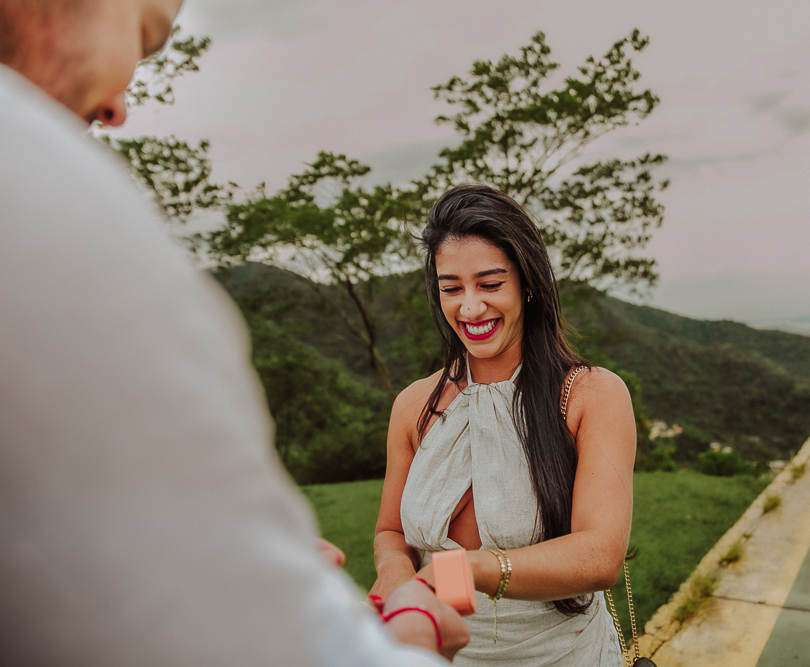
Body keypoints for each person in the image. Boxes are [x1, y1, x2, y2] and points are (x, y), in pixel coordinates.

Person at [0, 0, 467, 664]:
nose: (117, 109)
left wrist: (227, 560)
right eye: (144, 36)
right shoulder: (44, 210)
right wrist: (408, 629)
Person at [371, 185, 638, 665]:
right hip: (439, 652)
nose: (470, 308)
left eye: (490, 284)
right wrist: (393, 572)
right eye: (451, 288)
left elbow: (600, 555)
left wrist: (461, 572)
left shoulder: (590, 395)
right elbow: (391, 531)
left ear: (527, 284)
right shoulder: (413, 405)